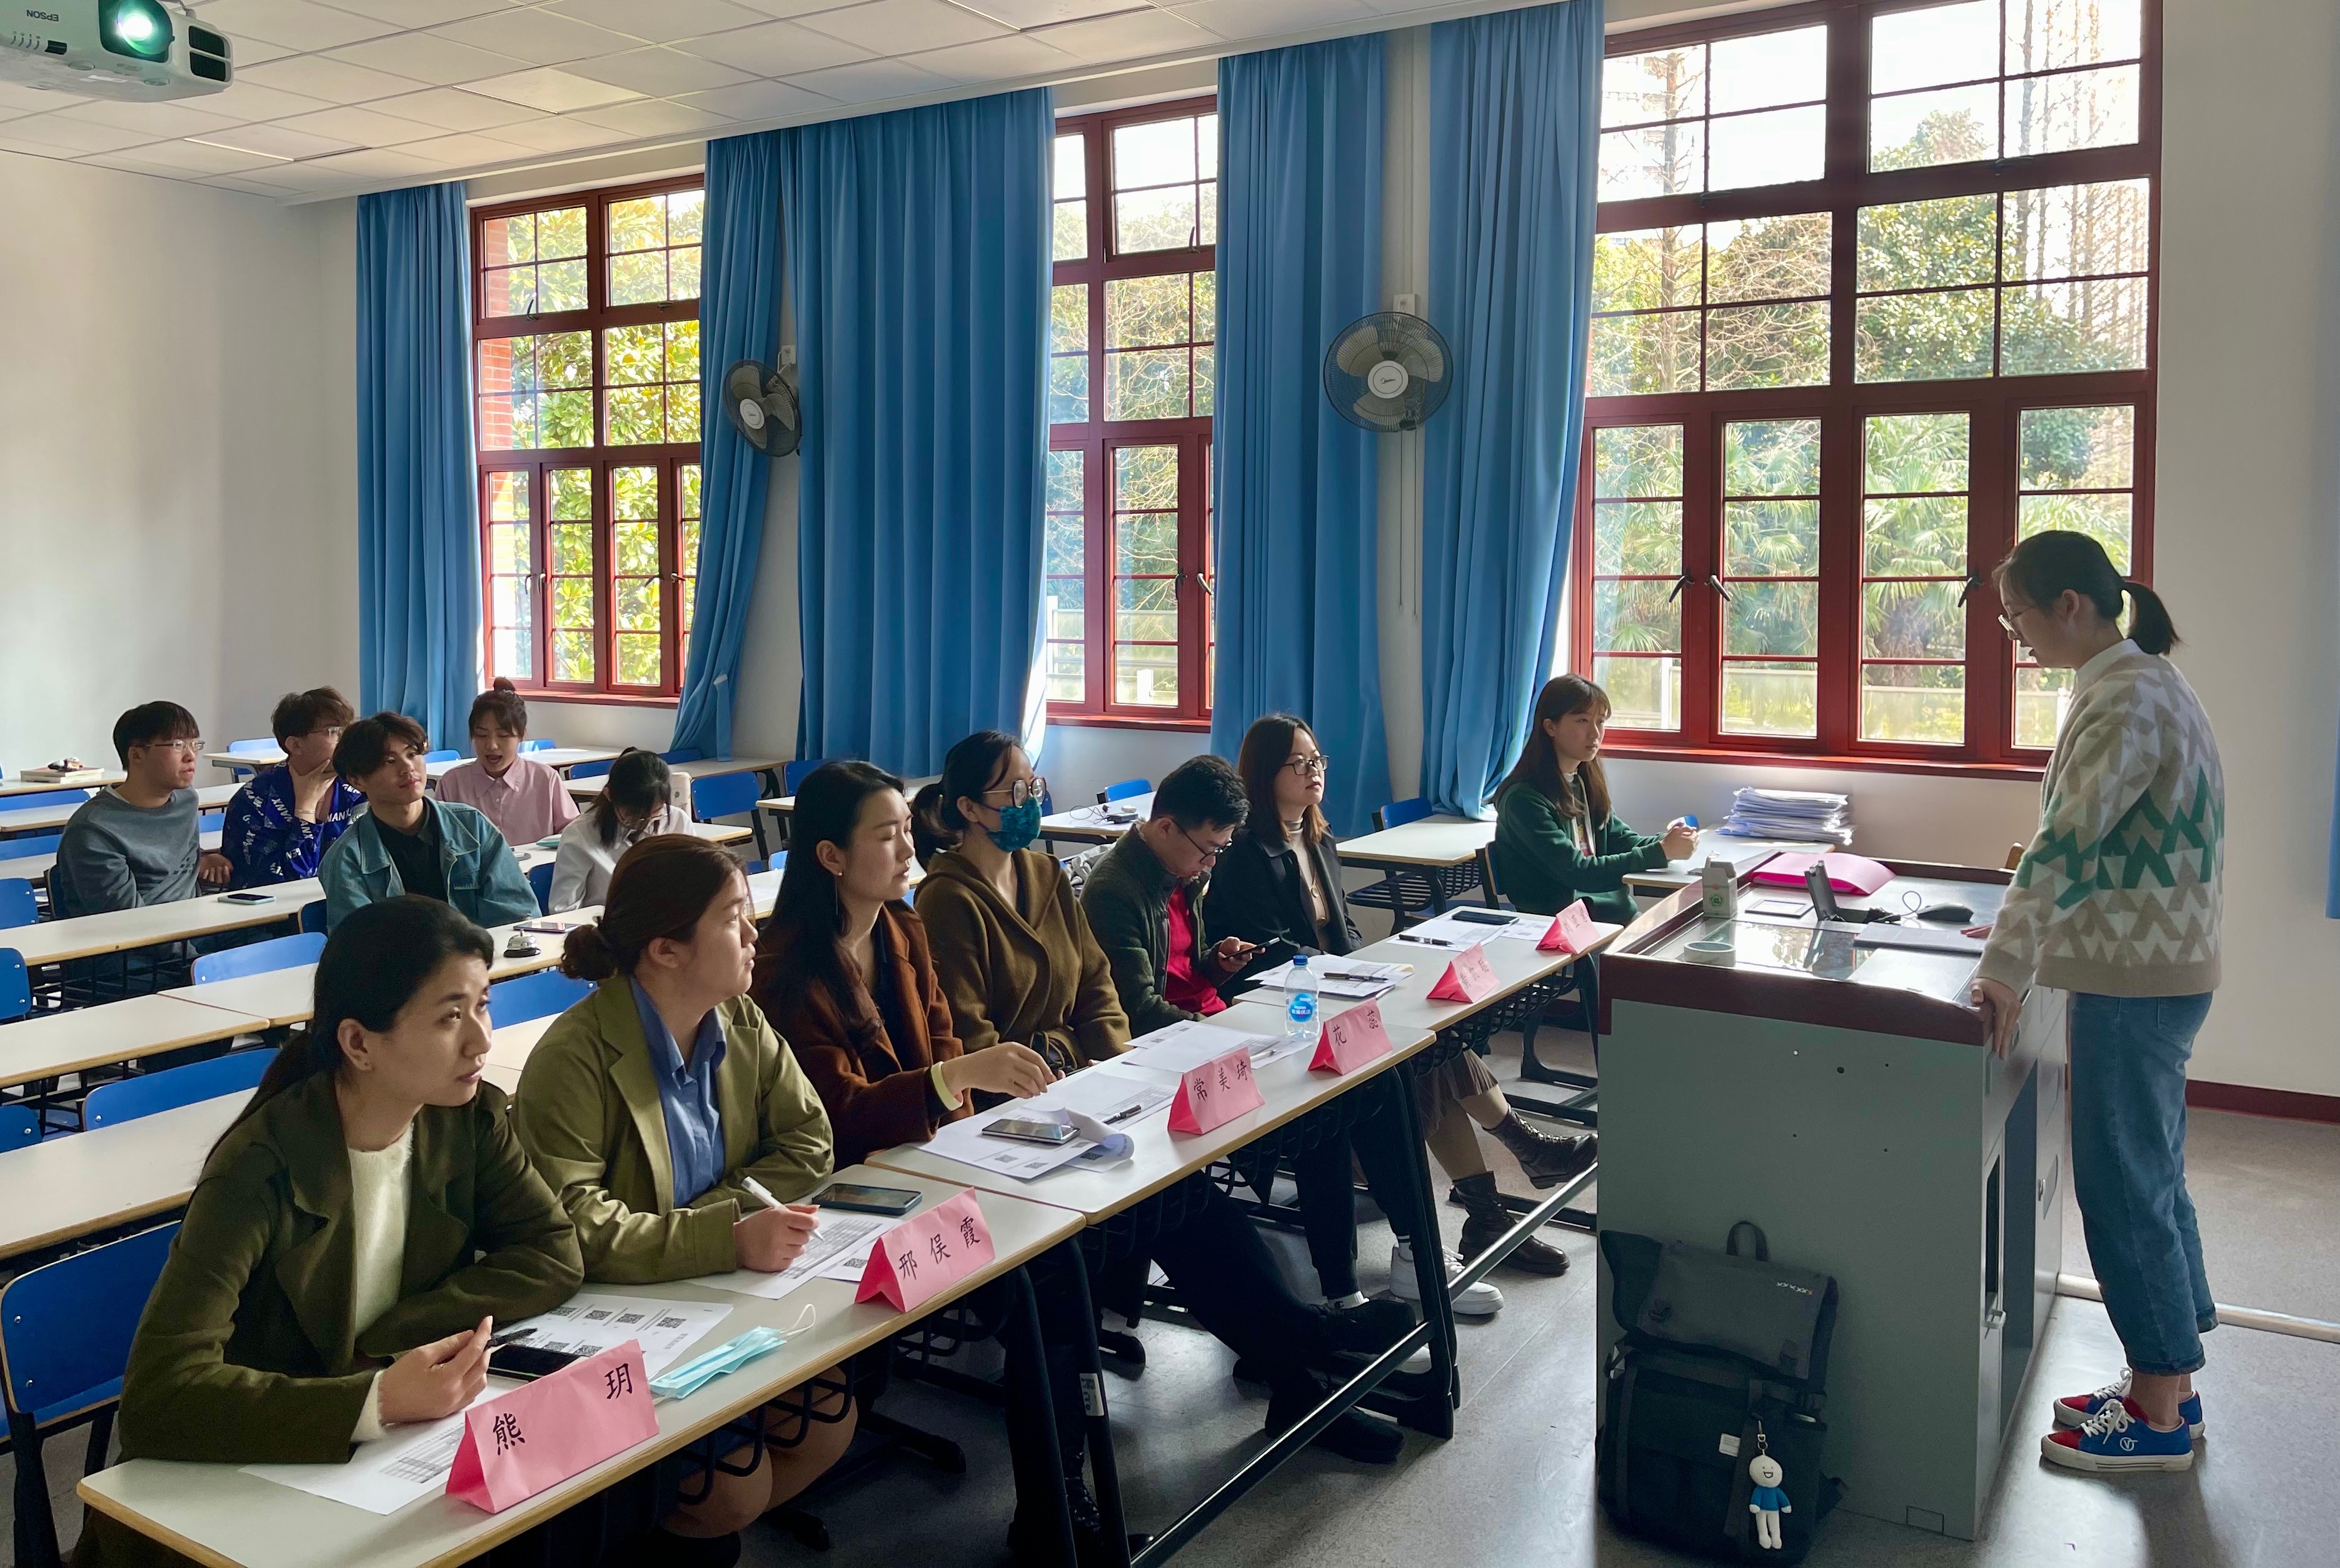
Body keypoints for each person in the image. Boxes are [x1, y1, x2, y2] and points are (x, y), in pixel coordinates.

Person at [915, 730, 1419, 1530]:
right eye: (1012, 792)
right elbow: (974, 1041)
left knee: (1190, 1205)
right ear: (968, 810)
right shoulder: (946, 900)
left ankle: (1299, 1375)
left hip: (1083, 1097)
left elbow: (1097, 988)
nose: (1030, 802)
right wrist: (1069, 1064)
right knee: (1074, 1279)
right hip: (1010, 1126)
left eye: (1033, 786)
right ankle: (1059, 1510)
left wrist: (1113, 1068)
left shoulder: (1041, 874)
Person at [74, 897, 583, 1568]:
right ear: (358, 1043)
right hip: (224, 1494)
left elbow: (552, 1252)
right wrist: (375, 1398)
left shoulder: (466, 1119)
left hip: (361, 1472)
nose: (481, 1041)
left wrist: (389, 1339)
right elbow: (159, 1397)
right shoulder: (262, 1168)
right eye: (450, 1017)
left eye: (483, 1006)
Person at [515, 835, 856, 1561]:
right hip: (626, 1307)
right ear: (665, 950)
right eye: (732, 919)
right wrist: (722, 1238)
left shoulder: (738, 1018)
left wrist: (717, 1224)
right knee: (730, 1492)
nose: (753, 934)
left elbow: (808, 1140)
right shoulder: (574, 1057)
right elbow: (572, 1225)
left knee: (828, 1420)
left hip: (721, 1287)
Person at [1971, 532, 2224, 1476]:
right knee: (2148, 1176)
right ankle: (2170, 1384)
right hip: (2157, 968)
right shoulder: (2143, 680)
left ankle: (2156, 1415)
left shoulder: (2122, 697)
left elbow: (2066, 842)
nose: (2015, 636)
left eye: (2016, 618)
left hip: (2132, 978)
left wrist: (2004, 964)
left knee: (2120, 1185)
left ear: (2068, 606)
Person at [1205, 715, 1590, 1290]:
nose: (1314, 773)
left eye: (1318, 761)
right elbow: (1267, 950)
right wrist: (1350, 975)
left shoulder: (1317, 838)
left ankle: (1490, 1208)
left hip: (1342, 998)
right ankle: (1514, 1159)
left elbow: (1343, 930)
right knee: (1425, 1057)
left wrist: (1372, 971)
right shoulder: (1243, 853)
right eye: (1299, 764)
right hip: (1290, 1014)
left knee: (1432, 1048)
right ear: (1265, 774)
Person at [1489, 673, 1697, 925]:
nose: (1595, 733)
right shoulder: (1523, 799)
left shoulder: (1583, 781)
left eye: (1601, 722)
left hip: (1612, 917)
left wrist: (1669, 841)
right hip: (1564, 926)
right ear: (1551, 727)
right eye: (1583, 721)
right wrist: (1661, 852)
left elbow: (1622, 840)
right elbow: (1578, 871)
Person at [318, 713, 538, 933]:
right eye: (389, 761)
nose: (408, 767)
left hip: (484, 953)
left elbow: (518, 913)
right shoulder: (347, 858)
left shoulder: (471, 826)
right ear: (357, 780)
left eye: (412, 754)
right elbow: (360, 944)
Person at [48, 701, 231, 918]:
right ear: (136, 755)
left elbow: (178, 866)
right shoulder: (94, 830)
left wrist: (203, 859)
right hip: (141, 936)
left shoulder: (186, 799)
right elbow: (128, 921)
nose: (190, 755)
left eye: (194, 744)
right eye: (177, 745)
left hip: (194, 924)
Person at [222, 686, 364, 888]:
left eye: (347, 729)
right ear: (296, 745)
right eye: (334, 732)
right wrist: (305, 809)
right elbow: (286, 886)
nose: (346, 740)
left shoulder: (358, 789)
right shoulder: (255, 801)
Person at [435, 679, 580, 847]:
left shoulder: (546, 780)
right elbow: (440, 842)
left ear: (521, 735)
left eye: (503, 736)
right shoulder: (452, 784)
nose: (492, 745)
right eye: (481, 735)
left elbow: (573, 838)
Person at [548, 748, 691, 913]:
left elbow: (695, 887)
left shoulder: (678, 821)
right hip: (608, 925)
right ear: (609, 795)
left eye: (655, 813)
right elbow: (564, 910)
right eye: (634, 815)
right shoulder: (580, 834)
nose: (644, 823)